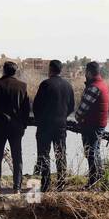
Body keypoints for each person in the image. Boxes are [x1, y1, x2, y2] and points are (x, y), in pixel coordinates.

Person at [0, 61, 30, 193]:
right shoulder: (22, 86)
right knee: (17, 157)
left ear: (3, 70)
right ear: (15, 71)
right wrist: (23, 125)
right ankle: (17, 187)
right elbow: (26, 109)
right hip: (16, 127)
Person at [32, 59, 75, 191]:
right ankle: (61, 184)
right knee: (60, 154)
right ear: (60, 70)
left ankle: (45, 185)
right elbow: (72, 107)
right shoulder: (68, 86)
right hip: (61, 125)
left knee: (44, 154)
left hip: (45, 125)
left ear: (50, 69)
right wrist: (62, 116)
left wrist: (40, 118)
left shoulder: (45, 84)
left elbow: (36, 106)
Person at [75, 61, 109, 187]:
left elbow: (83, 108)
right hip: (100, 123)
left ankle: (93, 181)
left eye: (85, 71)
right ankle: (98, 177)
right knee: (95, 150)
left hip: (92, 124)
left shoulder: (94, 87)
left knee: (91, 152)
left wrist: (77, 117)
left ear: (89, 72)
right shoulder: (103, 85)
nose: (85, 74)